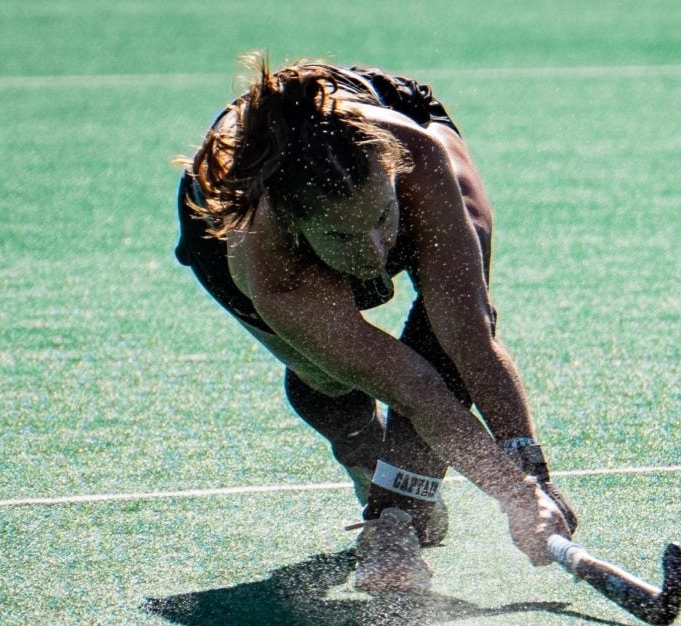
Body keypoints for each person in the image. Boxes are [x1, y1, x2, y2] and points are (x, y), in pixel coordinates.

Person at [173, 53, 577, 592]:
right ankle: (364, 450)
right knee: (330, 377)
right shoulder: (275, 272)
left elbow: (473, 346)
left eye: (385, 220)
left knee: (450, 326)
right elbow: (417, 392)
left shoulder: (417, 162)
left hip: (388, 122)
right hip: (220, 227)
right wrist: (514, 496)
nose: (374, 252)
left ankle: (393, 516)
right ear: (299, 230)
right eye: (343, 238)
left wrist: (532, 476)